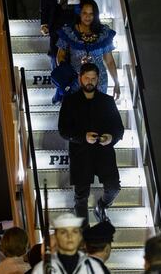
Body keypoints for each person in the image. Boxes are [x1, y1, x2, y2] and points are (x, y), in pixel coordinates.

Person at [58, 62, 124, 227]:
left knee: (114, 188)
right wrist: (82, 137)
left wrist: (111, 137)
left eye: (93, 78)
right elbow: (63, 130)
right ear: (80, 78)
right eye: (87, 77)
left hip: (104, 152)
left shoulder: (107, 101)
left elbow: (119, 128)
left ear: (98, 79)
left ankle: (101, 206)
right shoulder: (70, 101)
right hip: (81, 153)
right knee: (81, 196)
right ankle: (85, 232)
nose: (90, 81)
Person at [55, 0, 120, 103]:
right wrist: (67, 74)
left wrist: (116, 83)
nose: (88, 16)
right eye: (85, 13)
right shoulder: (69, 32)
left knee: (97, 114)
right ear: (79, 13)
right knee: (77, 114)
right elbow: (60, 56)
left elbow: (109, 61)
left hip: (99, 81)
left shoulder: (103, 33)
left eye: (91, 13)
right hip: (76, 81)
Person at [32, 213, 108, 274]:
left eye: (75, 231)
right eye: (63, 232)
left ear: (80, 237)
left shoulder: (93, 267)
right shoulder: (41, 269)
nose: (69, 236)